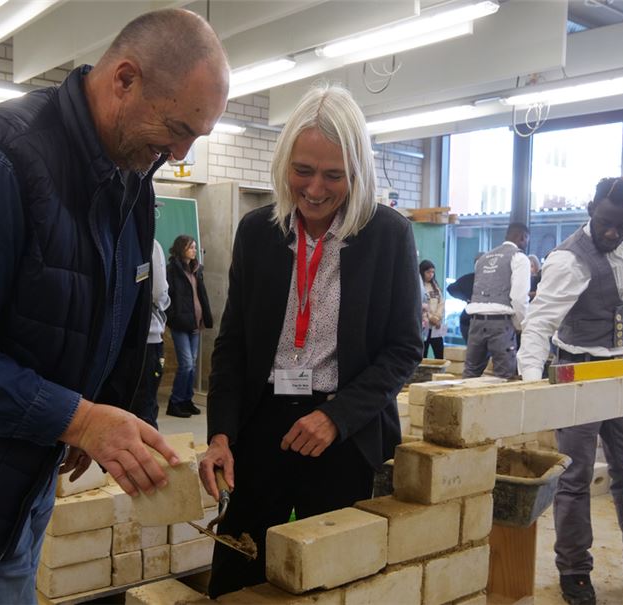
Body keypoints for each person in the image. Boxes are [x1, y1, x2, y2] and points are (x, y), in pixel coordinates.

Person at [0, 9, 229, 603]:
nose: (181, 150)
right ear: (124, 79)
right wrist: (77, 419)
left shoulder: (132, 176)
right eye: (179, 127)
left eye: (196, 137)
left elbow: (114, 312)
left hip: (23, 440)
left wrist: (93, 411)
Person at [198, 83, 422, 598]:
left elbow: (404, 347)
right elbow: (233, 347)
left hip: (343, 430)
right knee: (238, 569)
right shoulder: (258, 232)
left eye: (333, 175)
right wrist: (221, 435)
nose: (315, 189)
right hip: (262, 426)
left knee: (334, 578)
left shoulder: (388, 235)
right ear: (284, 166)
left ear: (357, 172)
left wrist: (338, 416)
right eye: (303, 171)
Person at [517, 177, 623, 605]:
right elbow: (538, 325)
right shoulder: (568, 261)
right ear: (590, 208)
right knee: (575, 478)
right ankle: (575, 571)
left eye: (621, 224)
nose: (612, 233)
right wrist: (530, 388)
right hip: (578, 371)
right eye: (604, 223)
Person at [463, 223, 531, 378]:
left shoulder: (483, 259)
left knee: (470, 372)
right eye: (527, 240)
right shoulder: (519, 258)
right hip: (501, 323)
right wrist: (521, 324)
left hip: (475, 322)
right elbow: (519, 298)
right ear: (522, 237)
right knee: (504, 375)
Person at [166, 234, 213, 418]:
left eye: (194, 247)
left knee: (192, 365)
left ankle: (187, 399)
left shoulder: (196, 269)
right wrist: (172, 317)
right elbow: (167, 296)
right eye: (191, 247)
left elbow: (201, 294)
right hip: (180, 323)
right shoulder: (172, 270)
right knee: (185, 364)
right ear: (181, 249)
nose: (194, 250)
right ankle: (175, 402)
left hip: (196, 323)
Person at [131, 240, 171, 428]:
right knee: (145, 405)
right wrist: (165, 303)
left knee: (125, 405)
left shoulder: (118, 236)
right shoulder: (150, 243)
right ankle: (144, 454)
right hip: (148, 336)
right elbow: (159, 292)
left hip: (118, 340)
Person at [420, 259, 446, 358]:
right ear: (422, 272)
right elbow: (421, 305)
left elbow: (441, 303)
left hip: (436, 327)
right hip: (424, 326)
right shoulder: (419, 286)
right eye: (428, 272)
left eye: (433, 272)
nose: (431, 274)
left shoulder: (435, 285)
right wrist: (432, 318)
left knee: (439, 354)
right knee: (423, 354)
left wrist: (438, 318)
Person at [447, 269, 477, 343]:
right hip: (473, 318)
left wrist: (466, 298)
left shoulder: (469, 277)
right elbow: (450, 289)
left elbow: (451, 289)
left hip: (469, 316)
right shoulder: (473, 278)